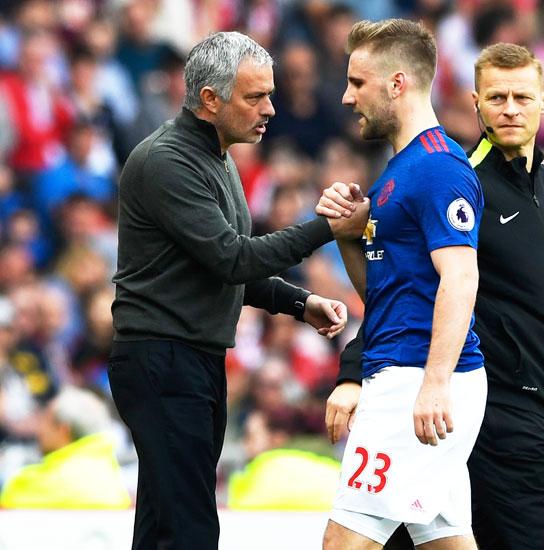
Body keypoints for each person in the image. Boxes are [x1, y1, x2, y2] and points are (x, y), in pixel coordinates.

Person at [322, 43, 544, 550]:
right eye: (498, 97)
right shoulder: (461, 178)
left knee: (427, 534)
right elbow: (408, 284)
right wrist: (356, 373)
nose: (510, 108)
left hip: (537, 406)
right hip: (492, 407)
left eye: (522, 97)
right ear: (476, 103)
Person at [109, 31, 367, 550]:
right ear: (210, 99)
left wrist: (299, 302)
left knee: (165, 523)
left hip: (191, 358)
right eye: (255, 97)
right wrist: (329, 226)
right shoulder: (168, 161)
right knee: (190, 527)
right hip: (162, 358)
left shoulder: (219, 157)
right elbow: (232, 258)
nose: (271, 108)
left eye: (269, 94)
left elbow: (224, 266)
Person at [318, 19, 487, 550]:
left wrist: (434, 382)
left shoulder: (437, 169)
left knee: (344, 541)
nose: (347, 97)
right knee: (445, 540)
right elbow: (383, 293)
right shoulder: (397, 172)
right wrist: (349, 237)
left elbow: (461, 276)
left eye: (357, 82)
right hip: (410, 372)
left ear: (398, 83)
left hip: (419, 379)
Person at [0, 385, 130, 509]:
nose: (39, 430)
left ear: (63, 431)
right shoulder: (112, 478)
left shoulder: (28, 484)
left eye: (45, 420)